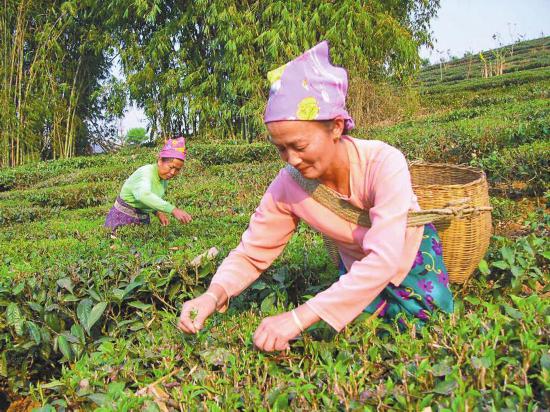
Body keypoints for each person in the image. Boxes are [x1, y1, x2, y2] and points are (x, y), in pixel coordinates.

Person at [177, 41, 453, 352]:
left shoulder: (383, 162)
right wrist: (212, 295)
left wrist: (297, 318)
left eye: (299, 146)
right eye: (281, 148)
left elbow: (385, 257)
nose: (291, 158)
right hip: (356, 263)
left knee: (427, 328)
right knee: (351, 336)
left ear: (336, 127)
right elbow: (252, 252)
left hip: (407, 251)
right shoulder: (289, 185)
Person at [104, 137, 192, 230]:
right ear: (160, 161)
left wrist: (158, 213)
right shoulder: (146, 172)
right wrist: (173, 210)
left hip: (142, 220)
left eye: (177, 169)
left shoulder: (163, 179)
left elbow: (151, 198)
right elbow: (143, 195)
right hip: (122, 219)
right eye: (171, 167)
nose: (173, 172)